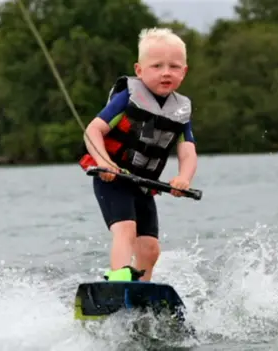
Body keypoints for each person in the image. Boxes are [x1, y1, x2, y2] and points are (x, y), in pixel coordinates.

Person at [78, 27, 198, 282]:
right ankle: (119, 279)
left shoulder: (180, 111)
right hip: (113, 179)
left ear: (184, 72)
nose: (166, 72)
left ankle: (143, 289)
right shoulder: (127, 98)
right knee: (126, 230)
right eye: (156, 66)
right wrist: (105, 163)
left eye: (174, 67)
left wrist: (183, 178)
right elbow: (92, 130)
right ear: (139, 70)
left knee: (150, 248)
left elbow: (187, 151)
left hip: (143, 185)